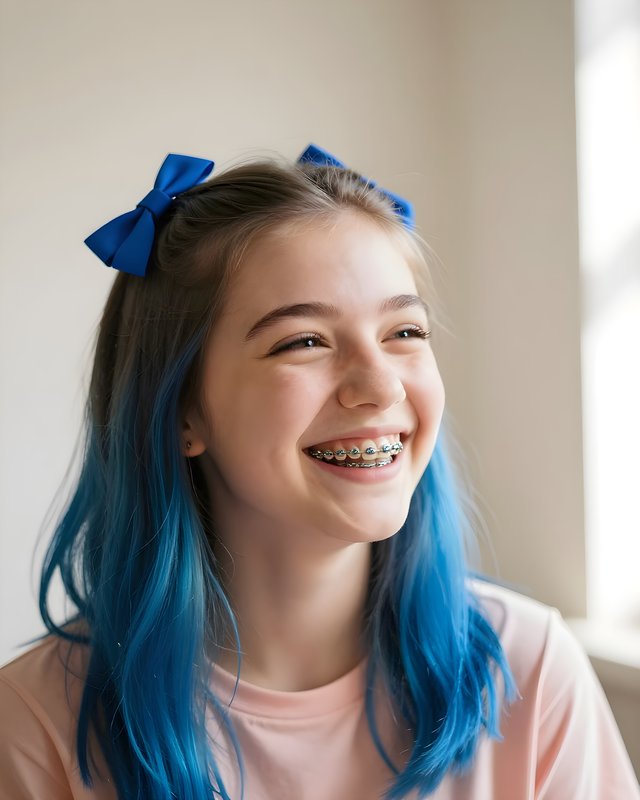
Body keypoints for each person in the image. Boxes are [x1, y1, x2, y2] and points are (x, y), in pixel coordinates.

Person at [0, 145, 637, 800]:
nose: (379, 385)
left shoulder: (531, 670)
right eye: (304, 341)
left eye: (405, 332)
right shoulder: (31, 724)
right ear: (181, 410)